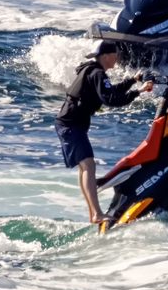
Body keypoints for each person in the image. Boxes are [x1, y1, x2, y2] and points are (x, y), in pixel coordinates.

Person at [56, 39, 156, 227]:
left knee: (85, 167)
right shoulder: (97, 73)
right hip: (71, 124)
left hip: (71, 123)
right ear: (106, 56)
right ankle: (97, 214)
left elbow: (111, 91)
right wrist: (139, 91)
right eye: (115, 56)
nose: (117, 60)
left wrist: (133, 81)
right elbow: (112, 100)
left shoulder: (93, 72)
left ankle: (93, 213)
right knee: (88, 166)